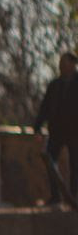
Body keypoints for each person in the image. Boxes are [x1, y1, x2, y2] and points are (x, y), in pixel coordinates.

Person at [34, 51, 78, 209]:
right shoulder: (55, 85)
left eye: (64, 63)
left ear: (73, 65)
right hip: (57, 131)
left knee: (75, 165)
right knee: (50, 160)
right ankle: (55, 196)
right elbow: (45, 107)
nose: (61, 67)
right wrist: (38, 127)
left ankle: (74, 196)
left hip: (74, 132)